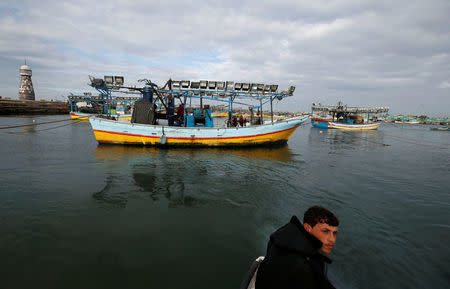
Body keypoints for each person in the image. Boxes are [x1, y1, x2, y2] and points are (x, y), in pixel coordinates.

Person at [255, 206, 339, 289]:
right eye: (325, 231)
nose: (332, 239)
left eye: (334, 233)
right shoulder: (304, 267)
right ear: (307, 228)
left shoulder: (281, 238)